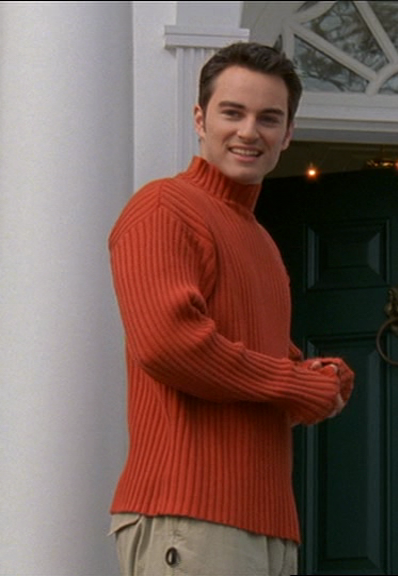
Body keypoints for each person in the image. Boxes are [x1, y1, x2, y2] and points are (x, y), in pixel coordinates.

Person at [107, 42, 354, 576]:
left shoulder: (260, 239)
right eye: (232, 113)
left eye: (269, 118)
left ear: (288, 133)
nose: (249, 131)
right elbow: (170, 345)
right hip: (189, 511)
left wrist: (318, 377)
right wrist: (295, 384)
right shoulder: (163, 207)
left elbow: (254, 363)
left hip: (265, 521)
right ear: (200, 119)